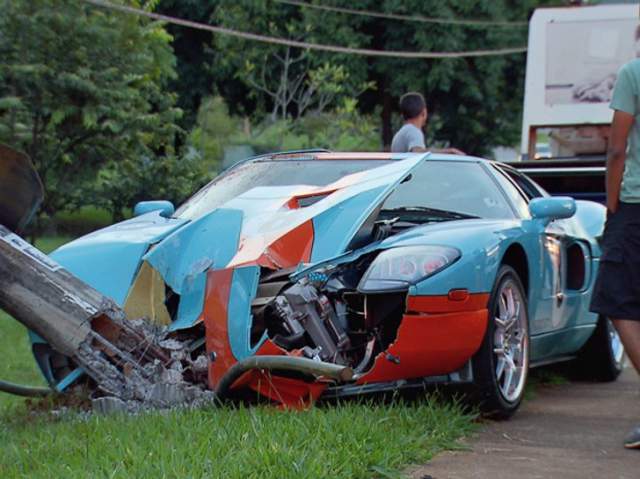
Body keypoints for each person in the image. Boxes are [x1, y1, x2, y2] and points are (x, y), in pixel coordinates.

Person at [590, 57, 640, 450]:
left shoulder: (633, 73)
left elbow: (617, 148)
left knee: (617, 300)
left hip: (635, 206)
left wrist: (612, 206)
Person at [390, 92, 464, 155]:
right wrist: (449, 152)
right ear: (424, 112)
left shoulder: (402, 132)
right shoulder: (413, 131)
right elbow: (418, 153)